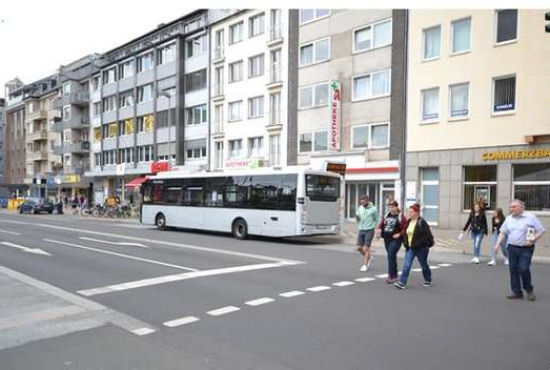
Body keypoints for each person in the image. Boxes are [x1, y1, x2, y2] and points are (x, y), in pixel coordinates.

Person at [495, 199, 545, 301]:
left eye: (514, 207)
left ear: (522, 207)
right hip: (512, 248)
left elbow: (541, 230)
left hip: (526, 248)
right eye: (510, 207)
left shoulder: (530, 217)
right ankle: (517, 292)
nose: (511, 209)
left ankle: (529, 289)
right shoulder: (509, 218)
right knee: (513, 270)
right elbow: (503, 232)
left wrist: (534, 238)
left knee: (524, 268)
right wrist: (497, 244)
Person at [395, 203, 434, 290]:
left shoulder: (422, 222)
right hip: (410, 248)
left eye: (411, 212)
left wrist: (417, 244)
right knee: (407, 265)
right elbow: (406, 233)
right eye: (409, 212)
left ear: (416, 213)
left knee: (423, 265)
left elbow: (426, 237)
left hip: (421, 249)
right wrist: (405, 244)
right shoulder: (409, 221)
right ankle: (402, 283)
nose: (409, 214)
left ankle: (428, 279)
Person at [377, 200, 407, 283]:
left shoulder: (401, 217)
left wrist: (399, 234)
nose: (391, 208)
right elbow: (382, 224)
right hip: (387, 239)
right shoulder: (387, 214)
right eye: (389, 207)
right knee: (391, 256)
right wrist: (379, 229)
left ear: (397, 207)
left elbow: (406, 228)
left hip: (396, 240)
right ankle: (395, 275)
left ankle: (391, 276)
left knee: (390, 254)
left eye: (393, 206)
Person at [355, 195, 380, 272]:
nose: (362, 202)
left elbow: (377, 219)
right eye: (361, 201)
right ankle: (369, 256)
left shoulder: (373, 209)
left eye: (363, 201)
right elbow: (358, 218)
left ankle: (365, 265)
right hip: (361, 229)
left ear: (367, 201)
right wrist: (357, 218)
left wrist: (377, 229)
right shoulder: (360, 208)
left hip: (369, 229)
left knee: (366, 248)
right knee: (359, 248)